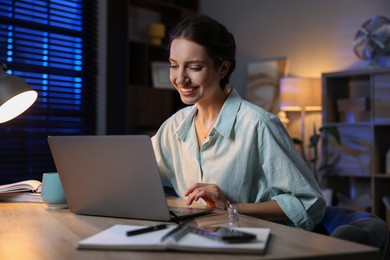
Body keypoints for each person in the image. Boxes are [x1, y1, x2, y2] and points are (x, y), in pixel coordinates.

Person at [151, 15, 325, 230]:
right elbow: (139, 175)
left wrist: (230, 206)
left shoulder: (259, 124)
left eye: (194, 67)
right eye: (174, 65)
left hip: (251, 243)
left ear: (222, 69)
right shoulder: (174, 126)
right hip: (197, 240)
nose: (180, 78)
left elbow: (309, 204)